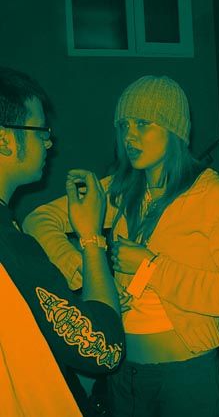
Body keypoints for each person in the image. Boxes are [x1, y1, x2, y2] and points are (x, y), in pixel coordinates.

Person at [23, 75, 219, 416]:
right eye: (124, 125)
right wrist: (87, 271)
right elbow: (38, 220)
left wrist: (152, 267)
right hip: (124, 376)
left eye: (143, 124)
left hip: (186, 376)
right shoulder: (119, 190)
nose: (129, 136)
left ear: (174, 129)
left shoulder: (211, 194)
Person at [0, 67, 124, 416]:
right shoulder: (9, 246)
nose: (49, 143)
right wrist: (91, 236)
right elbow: (103, 348)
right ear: (4, 140)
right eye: (41, 131)